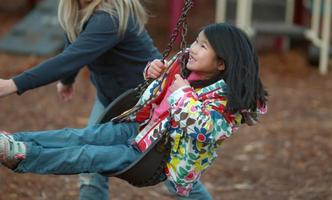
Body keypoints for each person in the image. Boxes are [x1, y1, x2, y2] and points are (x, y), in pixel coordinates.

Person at [0, 23, 268, 198]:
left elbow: (204, 130)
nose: (192, 48)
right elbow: (155, 96)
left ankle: (23, 156)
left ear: (221, 63)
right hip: (137, 129)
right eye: (196, 41)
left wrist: (181, 94)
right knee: (77, 136)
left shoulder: (223, 104)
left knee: (86, 155)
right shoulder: (186, 68)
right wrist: (154, 73)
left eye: (202, 46)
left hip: (151, 156)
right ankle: (14, 142)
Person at [0, 0, 164, 199]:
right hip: (112, 102)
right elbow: (75, 44)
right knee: (90, 171)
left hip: (151, 107)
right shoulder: (80, 10)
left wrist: (13, 84)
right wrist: (68, 79)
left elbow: (72, 58)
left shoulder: (111, 17)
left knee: (173, 173)